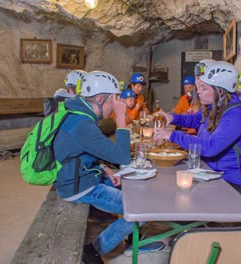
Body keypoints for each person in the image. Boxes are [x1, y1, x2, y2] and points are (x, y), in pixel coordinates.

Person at [52, 71, 163, 264]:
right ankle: (94, 249)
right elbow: (122, 157)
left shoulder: (80, 114)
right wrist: (120, 119)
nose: (117, 105)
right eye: (115, 100)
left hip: (82, 176)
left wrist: (104, 167)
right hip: (78, 186)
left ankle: (132, 240)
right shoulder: (83, 124)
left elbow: (80, 151)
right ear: (101, 98)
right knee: (142, 208)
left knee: (134, 189)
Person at [153, 60, 241, 196]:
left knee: (178, 197)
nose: (198, 91)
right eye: (198, 86)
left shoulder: (236, 114)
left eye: (204, 88)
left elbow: (211, 147)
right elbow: (195, 119)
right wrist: (172, 118)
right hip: (209, 172)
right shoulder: (214, 105)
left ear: (221, 91)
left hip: (230, 181)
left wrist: (172, 135)